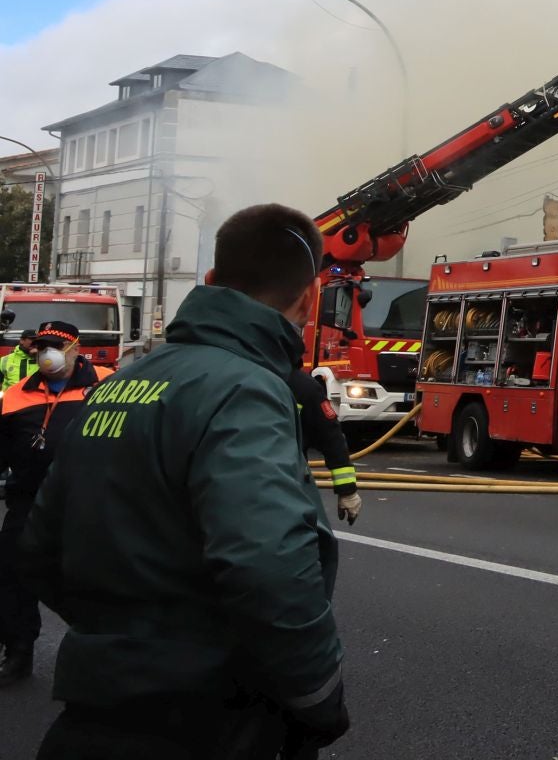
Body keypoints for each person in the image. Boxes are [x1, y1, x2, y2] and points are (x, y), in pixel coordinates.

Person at [19, 204, 350, 760]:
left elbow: (40, 545)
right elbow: (266, 564)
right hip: (206, 718)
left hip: (95, 709)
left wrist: (122, 637)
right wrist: (318, 693)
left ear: (213, 282)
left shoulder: (126, 380)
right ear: (310, 297)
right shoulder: (246, 389)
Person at [0, 322, 106, 688]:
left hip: (89, 502)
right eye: (43, 346)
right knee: (13, 578)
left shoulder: (106, 386)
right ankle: (18, 651)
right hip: (29, 501)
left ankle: (97, 658)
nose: (48, 354)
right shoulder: (16, 395)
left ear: (77, 349)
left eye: (57, 346)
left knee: (93, 581)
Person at [287, 369, 362, 525]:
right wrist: (347, 491)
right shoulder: (302, 385)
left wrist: (347, 489)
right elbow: (330, 437)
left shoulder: (230, 375)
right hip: (287, 486)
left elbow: (330, 437)